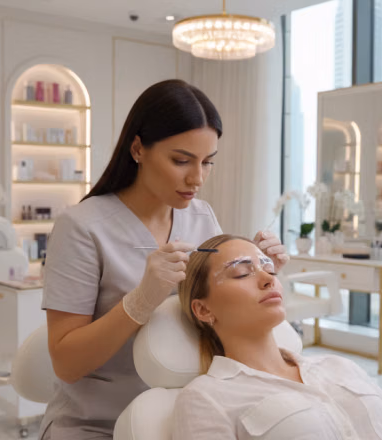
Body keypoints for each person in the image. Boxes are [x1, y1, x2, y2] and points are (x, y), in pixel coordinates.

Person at [39, 80, 289, 439]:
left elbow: (217, 318)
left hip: (188, 413)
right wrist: (141, 301)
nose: (197, 178)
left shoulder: (202, 218)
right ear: (138, 148)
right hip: (96, 424)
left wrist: (254, 272)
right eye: (181, 160)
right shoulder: (80, 227)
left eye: (207, 163)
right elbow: (65, 362)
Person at [173, 234, 382, 440]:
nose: (268, 279)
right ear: (204, 309)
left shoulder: (336, 366)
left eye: (269, 268)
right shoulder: (207, 398)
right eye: (241, 272)